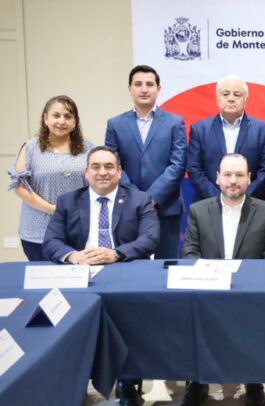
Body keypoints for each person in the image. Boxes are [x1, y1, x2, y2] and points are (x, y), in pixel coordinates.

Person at [41, 146, 159, 406]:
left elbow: (150, 239)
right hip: (80, 274)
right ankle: (76, 377)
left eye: (109, 167)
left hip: (124, 272)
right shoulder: (68, 201)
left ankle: (127, 381)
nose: (102, 172)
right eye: (95, 167)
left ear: (119, 171)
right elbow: (51, 242)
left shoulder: (140, 199)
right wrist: (73, 256)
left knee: (128, 320)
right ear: (86, 172)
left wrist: (115, 253)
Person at [180, 153, 265, 406]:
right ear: (217, 178)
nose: (233, 180)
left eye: (239, 175)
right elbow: (189, 253)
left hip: (249, 294)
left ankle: (253, 380)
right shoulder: (198, 210)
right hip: (208, 291)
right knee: (191, 312)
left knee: (255, 315)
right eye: (227, 174)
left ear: (249, 178)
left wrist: (250, 286)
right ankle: (198, 381)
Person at [105, 65, 187, 259]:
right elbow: (112, 165)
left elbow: (178, 165)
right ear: (129, 89)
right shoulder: (115, 124)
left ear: (158, 89)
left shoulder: (174, 122)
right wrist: (137, 198)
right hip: (127, 206)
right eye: (138, 84)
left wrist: (152, 198)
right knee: (129, 263)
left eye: (149, 84)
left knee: (166, 264)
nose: (144, 89)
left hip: (166, 206)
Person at [8, 95, 95, 261]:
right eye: (56, 115)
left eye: (68, 116)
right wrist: (52, 209)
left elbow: (96, 183)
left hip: (77, 226)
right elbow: (19, 187)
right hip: (37, 230)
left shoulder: (88, 147)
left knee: (77, 274)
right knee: (42, 275)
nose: (62, 121)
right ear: (45, 118)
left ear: (75, 121)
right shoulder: (31, 147)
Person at [187, 74, 265, 201]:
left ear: (246, 100)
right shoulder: (200, 130)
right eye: (225, 94)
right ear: (217, 99)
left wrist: (242, 199)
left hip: (251, 204)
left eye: (237, 94)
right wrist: (220, 200)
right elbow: (194, 169)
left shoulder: (263, 131)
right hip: (209, 204)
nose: (231, 99)